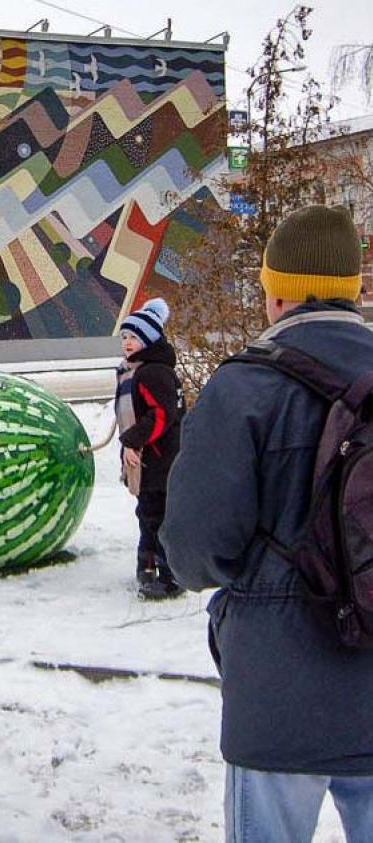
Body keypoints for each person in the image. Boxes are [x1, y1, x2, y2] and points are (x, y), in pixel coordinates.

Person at [161, 205, 373, 842]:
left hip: (279, 691)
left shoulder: (243, 388)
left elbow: (194, 550)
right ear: (355, 289)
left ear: (274, 290)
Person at [114, 297, 185, 600]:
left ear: (149, 339)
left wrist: (133, 440)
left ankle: (167, 573)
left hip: (160, 461)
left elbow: (161, 415)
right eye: (125, 337)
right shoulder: (139, 371)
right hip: (149, 460)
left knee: (158, 516)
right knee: (148, 514)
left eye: (134, 337)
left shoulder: (153, 374)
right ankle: (147, 567)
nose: (128, 343)